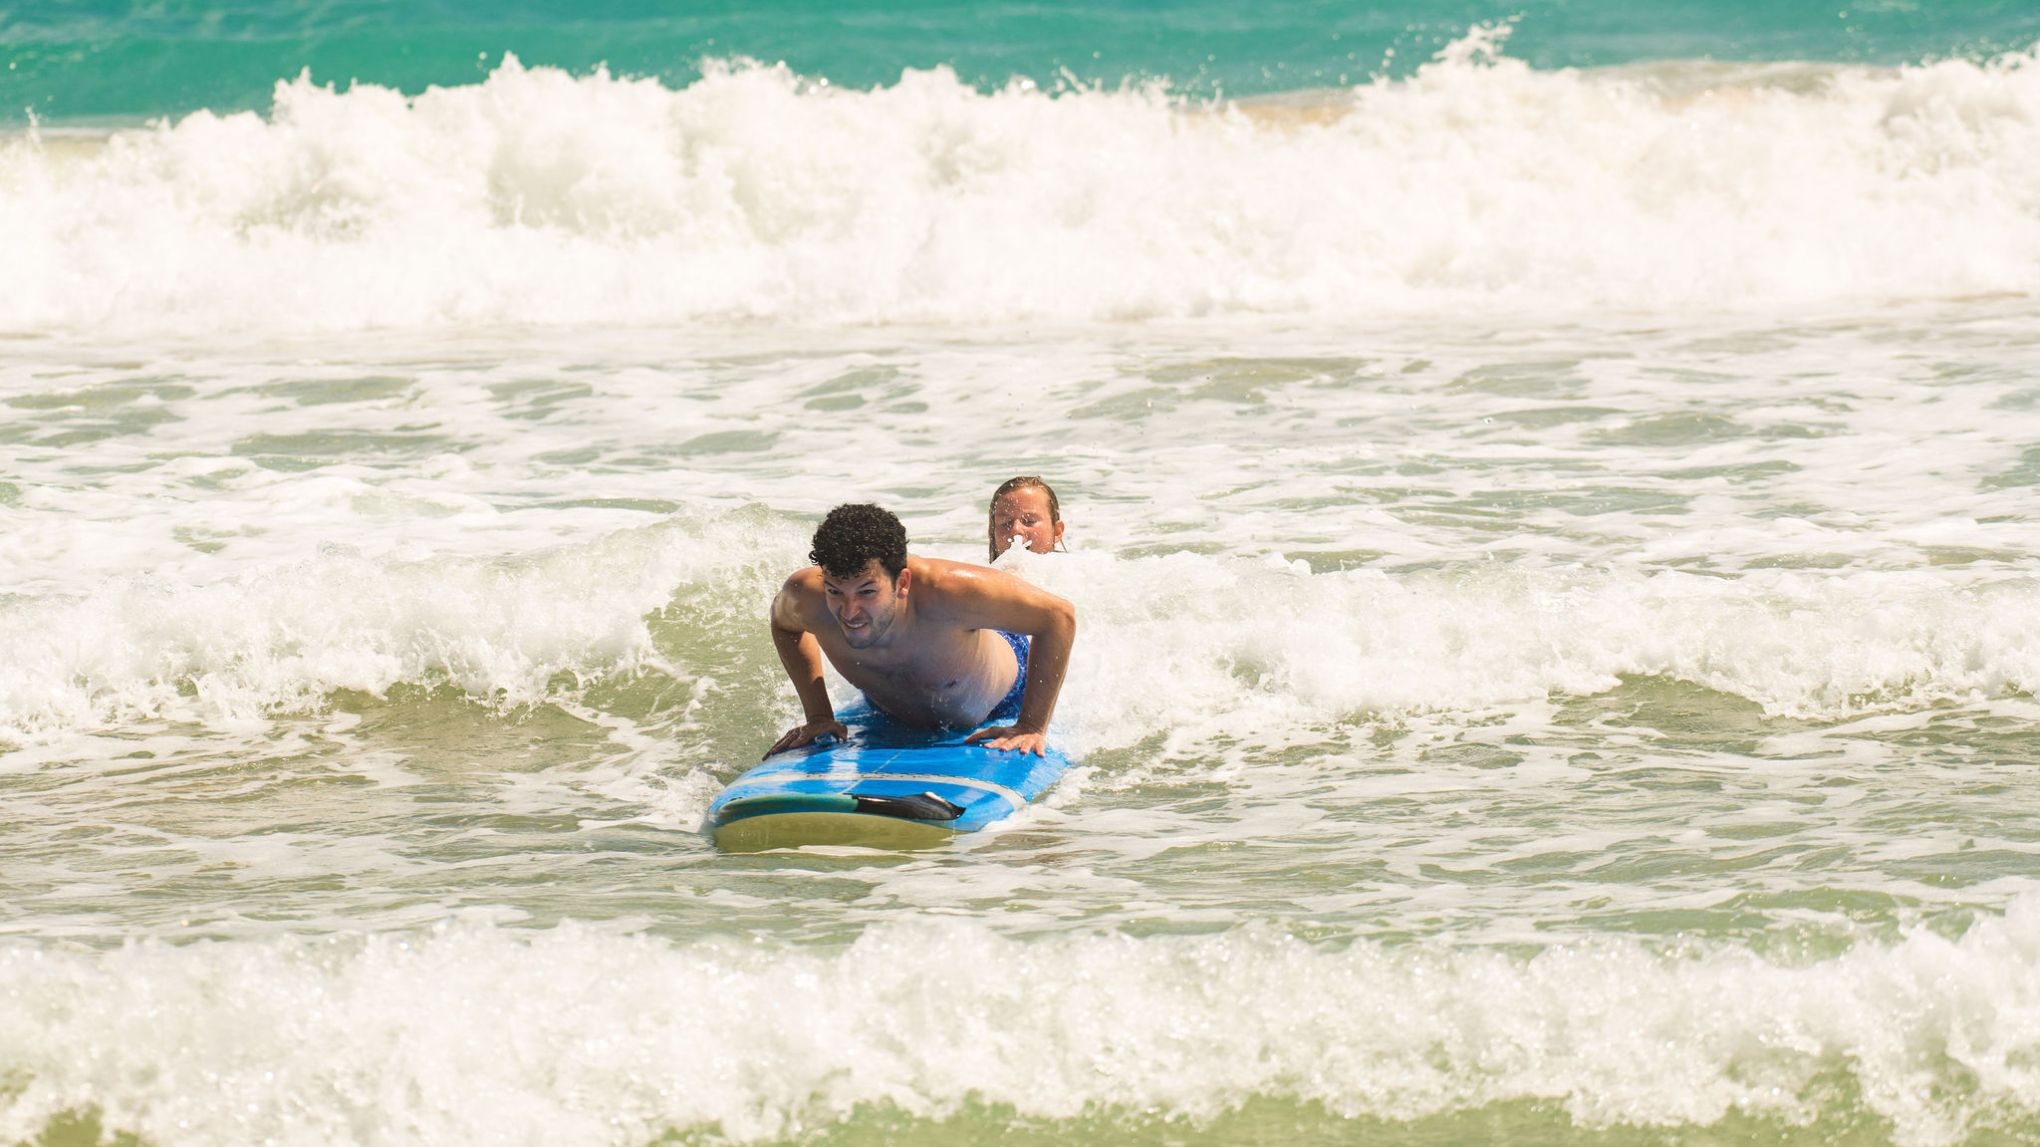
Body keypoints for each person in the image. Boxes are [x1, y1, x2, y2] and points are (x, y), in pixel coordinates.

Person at [766, 503, 1076, 759]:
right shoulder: (806, 597)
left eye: (867, 592)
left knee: (1013, 586)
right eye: (835, 592)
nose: (849, 612)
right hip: (892, 707)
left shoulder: (949, 591)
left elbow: (1058, 617)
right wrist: (818, 715)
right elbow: (783, 625)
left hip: (1003, 691)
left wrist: (1031, 725)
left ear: (902, 583)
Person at [987, 475, 1066, 562]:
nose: (1016, 529)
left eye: (1029, 521)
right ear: (993, 533)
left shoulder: (1073, 568)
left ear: (1056, 532)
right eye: (1006, 522)